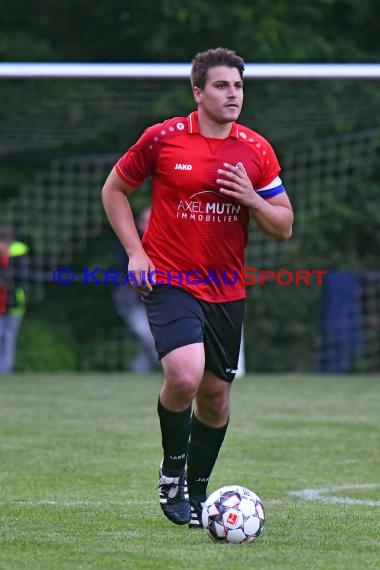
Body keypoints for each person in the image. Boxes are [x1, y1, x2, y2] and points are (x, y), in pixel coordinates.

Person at [101, 47, 294, 528]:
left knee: (215, 398)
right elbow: (114, 191)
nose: (234, 95)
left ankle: (199, 489)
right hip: (169, 278)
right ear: (198, 92)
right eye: (223, 86)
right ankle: (172, 472)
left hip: (226, 289)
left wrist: (252, 198)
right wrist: (136, 252)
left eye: (239, 86)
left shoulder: (255, 149)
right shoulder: (164, 139)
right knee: (185, 376)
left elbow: (284, 224)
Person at [112, 207, 158, 373]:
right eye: (144, 221)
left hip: (158, 299)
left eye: (151, 221)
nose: (147, 225)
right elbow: (126, 276)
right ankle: (171, 369)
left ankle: (139, 371)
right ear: (138, 224)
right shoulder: (128, 245)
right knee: (148, 337)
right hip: (133, 301)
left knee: (148, 339)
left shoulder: (165, 244)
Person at [0, 224, 29, 373]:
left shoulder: (19, 252)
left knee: (8, 336)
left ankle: (5, 369)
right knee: (6, 337)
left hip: (14, 302)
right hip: (10, 302)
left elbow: (21, 277)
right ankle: (5, 369)